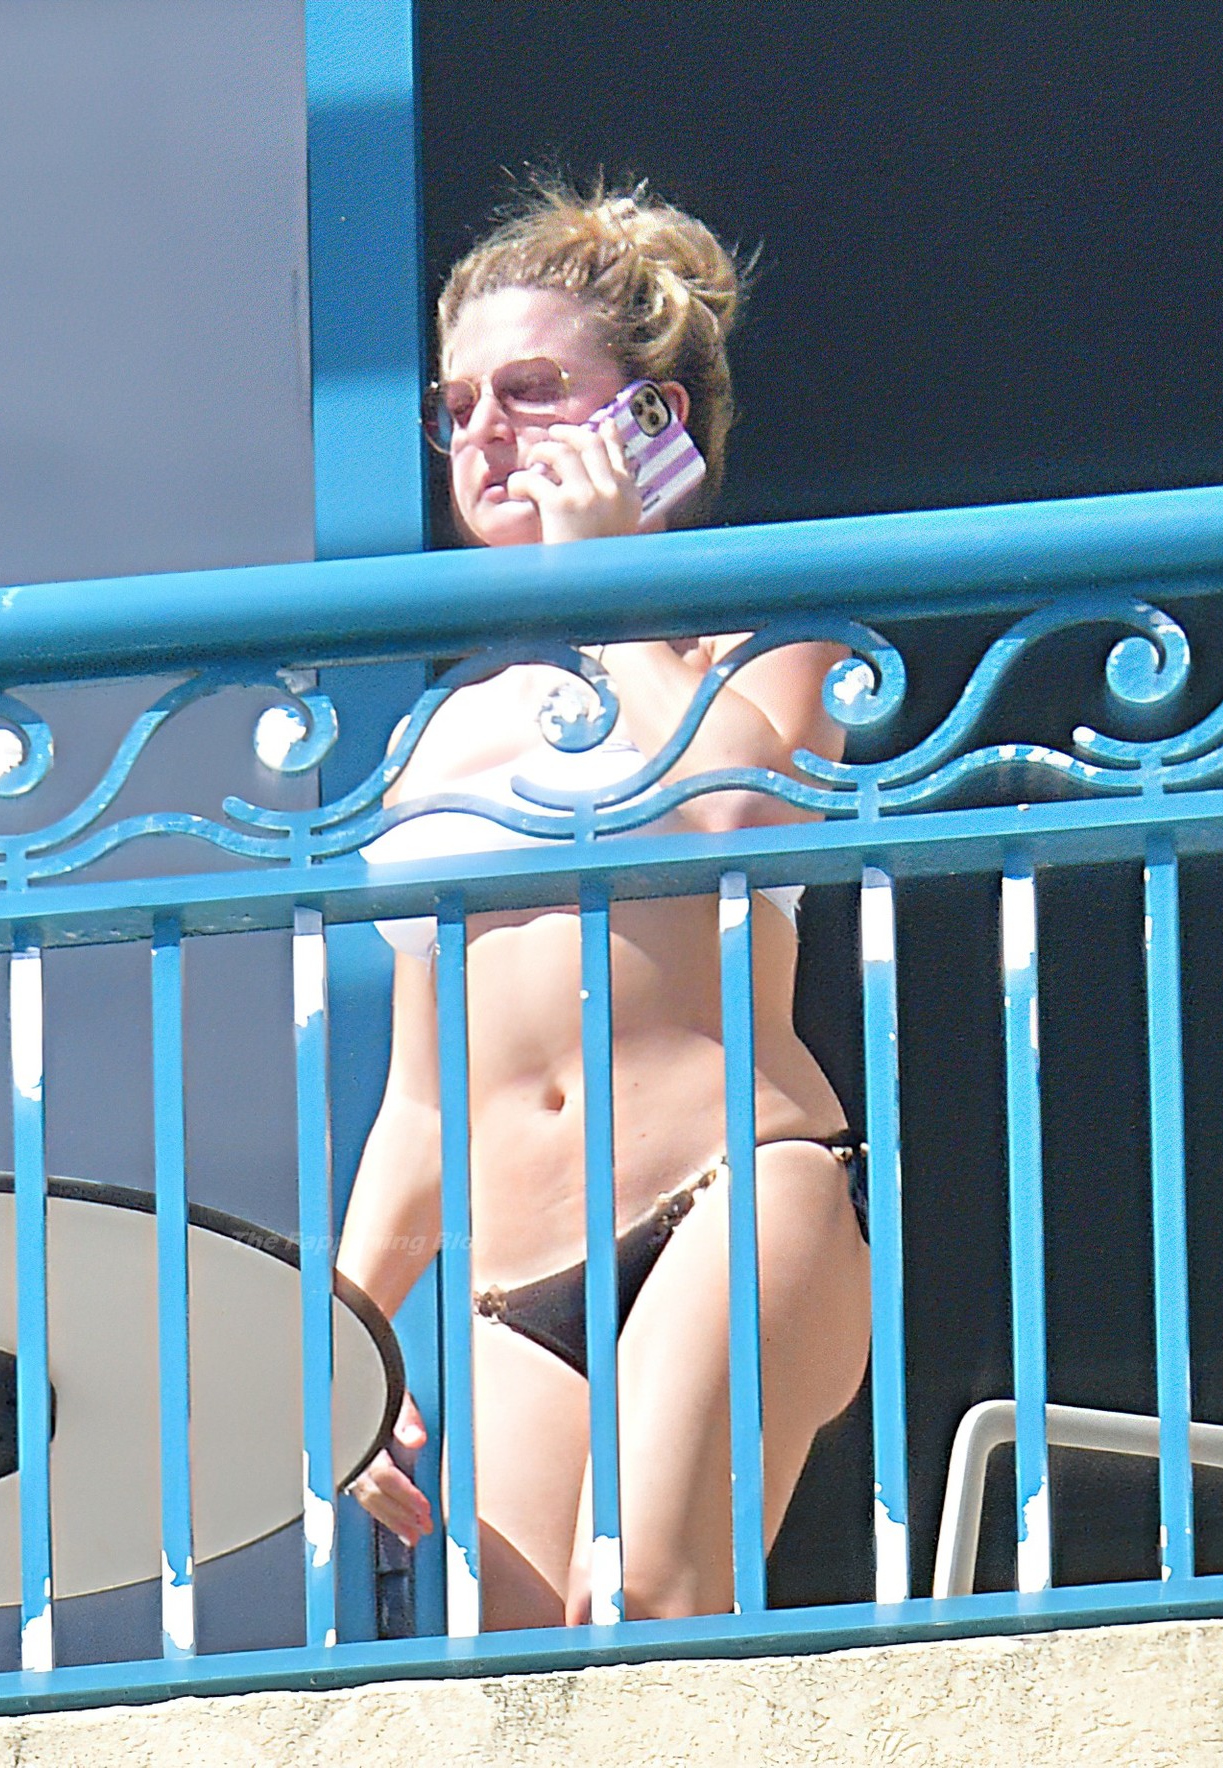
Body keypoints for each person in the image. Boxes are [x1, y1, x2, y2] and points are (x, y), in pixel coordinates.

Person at [336, 182, 871, 1628]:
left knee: (643, 1600)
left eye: (531, 391)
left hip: (730, 1194)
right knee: (519, 1677)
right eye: (459, 406)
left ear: (655, 420)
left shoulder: (763, 650)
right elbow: (424, 1102)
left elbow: (740, 819)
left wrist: (621, 590)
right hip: (519, 1273)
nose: (486, 434)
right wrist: (342, 1335)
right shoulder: (448, 729)